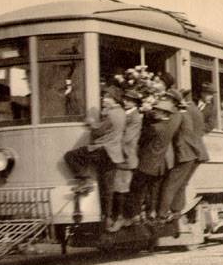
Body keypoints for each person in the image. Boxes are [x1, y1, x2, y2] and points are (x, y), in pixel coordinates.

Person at [64, 86, 126, 230]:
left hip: (102, 150)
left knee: (71, 156)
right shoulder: (121, 112)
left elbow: (98, 131)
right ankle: (108, 218)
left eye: (107, 97)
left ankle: (84, 180)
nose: (104, 100)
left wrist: (90, 123)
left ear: (113, 99)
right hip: (114, 154)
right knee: (107, 187)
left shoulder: (111, 114)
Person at [158, 88, 210, 221]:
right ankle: (176, 211)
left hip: (187, 153)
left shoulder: (180, 113)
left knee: (171, 183)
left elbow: (169, 132)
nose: (166, 101)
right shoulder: (190, 110)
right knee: (181, 183)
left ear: (175, 101)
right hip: (194, 152)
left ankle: (162, 214)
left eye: (168, 99)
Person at [129, 99, 182, 222]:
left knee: (138, 188)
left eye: (158, 111)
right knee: (154, 189)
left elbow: (141, 140)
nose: (155, 112)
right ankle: (151, 212)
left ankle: (135, 214)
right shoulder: (170, 126)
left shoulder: (154, 127)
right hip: (160, 165)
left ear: (165, 113)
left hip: (147, 163)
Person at [108, 90, 144, 232]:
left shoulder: (135, 117)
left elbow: (127, 138)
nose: (126, 102)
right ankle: (122, 217)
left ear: (135, 103)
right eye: (125, 99)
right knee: (118, 188)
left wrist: (112, 141)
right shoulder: (125, 113)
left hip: (126, 157)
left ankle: (122, 218)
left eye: (129, 100)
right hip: (120, 156)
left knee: (121, 189)